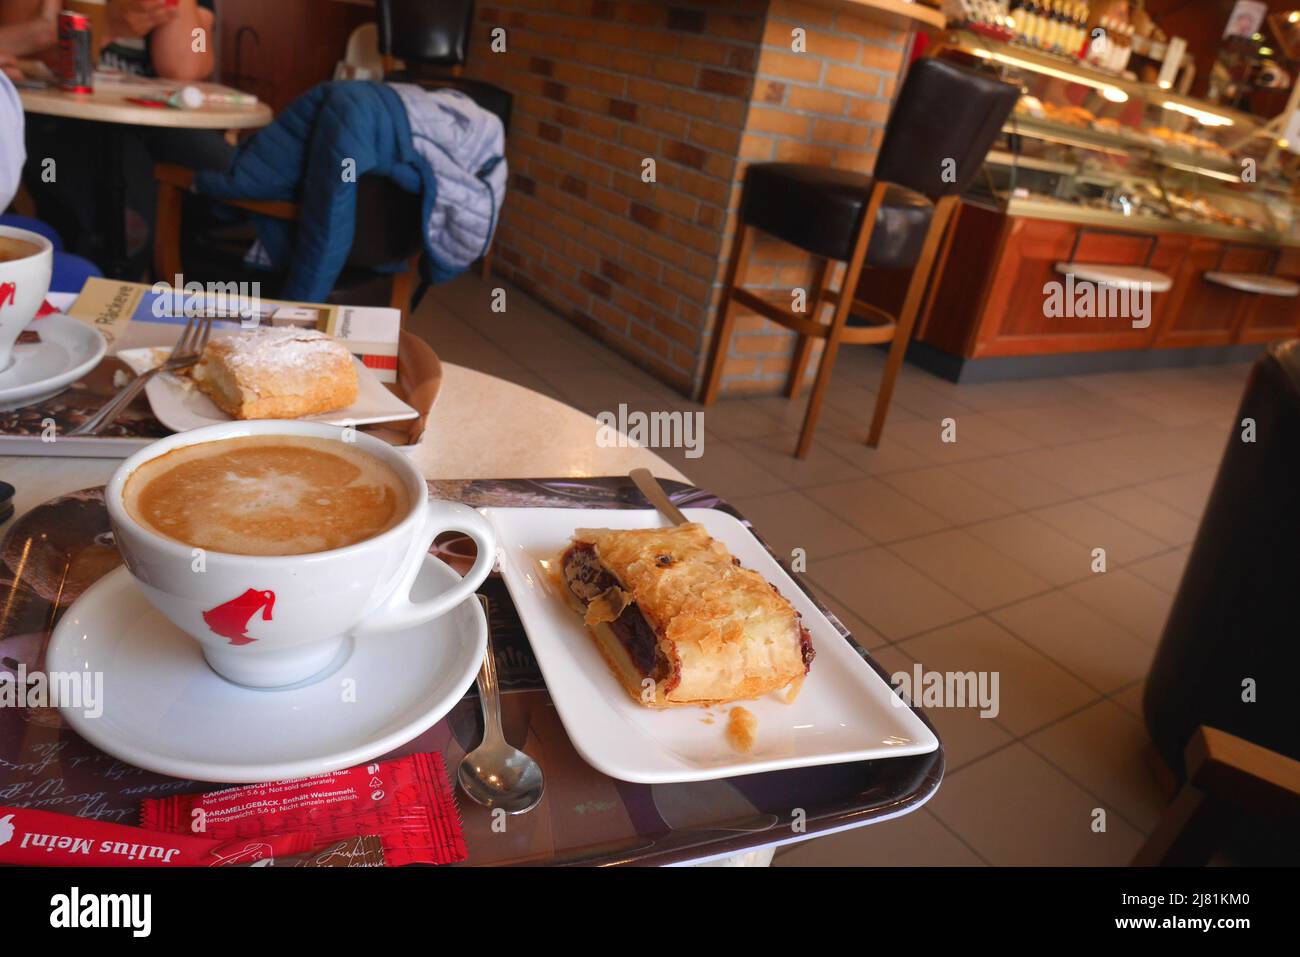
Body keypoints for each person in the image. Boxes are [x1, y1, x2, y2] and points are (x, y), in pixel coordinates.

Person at [6, 0, 232, 276]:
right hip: (57, 116)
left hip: (156, 118)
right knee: (122, 212)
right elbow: (22, 46)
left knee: (226, 178)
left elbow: (183, 68)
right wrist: (105, 28)